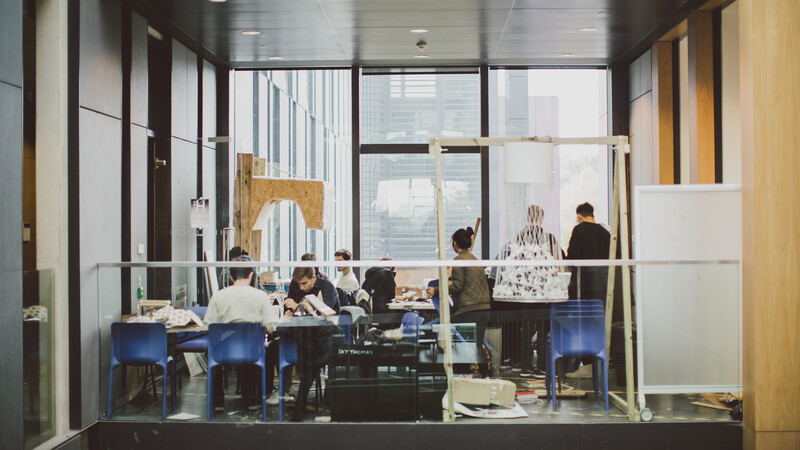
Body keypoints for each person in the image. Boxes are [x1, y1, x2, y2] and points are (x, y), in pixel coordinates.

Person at [205, 256, 279, 412]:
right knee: (257, 347)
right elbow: (270, 329)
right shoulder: (260, 296)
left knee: (212, 352)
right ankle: (253, 400)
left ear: (231, 276)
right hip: (251, 352)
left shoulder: (218, 296)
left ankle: (218, 402)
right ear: (251, 275)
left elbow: (210, 326)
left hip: (223, 352)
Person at [427, 227, 491, 374]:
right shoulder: (475, 259)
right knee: (477, 344)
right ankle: (485, 377)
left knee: (447, 333)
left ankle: (458, 373)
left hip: (469, 310)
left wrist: (435, 290)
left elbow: (457, 286)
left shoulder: (458, 260)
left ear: (455, 244)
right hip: (484, 308)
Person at [564, 202, 611, 379]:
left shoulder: (579, 230)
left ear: (579, 216)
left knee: (582, 325)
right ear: (593, 214)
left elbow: (572, 258)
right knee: (599, 325)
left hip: (585, 286)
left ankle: (587, 366)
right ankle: (600, 363)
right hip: (603, 286)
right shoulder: (605, 232)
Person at [361, 256, 397, 326]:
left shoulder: (371, 273)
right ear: (391, 266)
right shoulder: (387, 272)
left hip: (371, 309)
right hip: (382, 309)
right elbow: (392, 294)